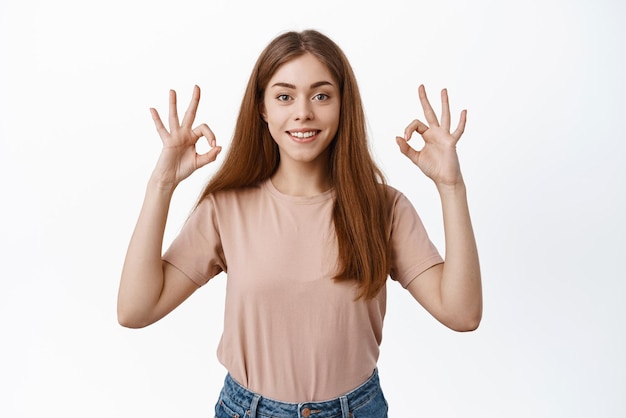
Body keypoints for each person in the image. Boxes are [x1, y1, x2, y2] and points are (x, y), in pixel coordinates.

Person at [118, 29, 482, 418]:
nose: (303, 111)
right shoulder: (226, 208)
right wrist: (162, 184)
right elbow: (135, 311)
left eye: (321, 95)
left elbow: (462, 314)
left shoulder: (383, 208)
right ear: (263, 109)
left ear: (343, 105)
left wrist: (451, 187)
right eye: (284, 96)